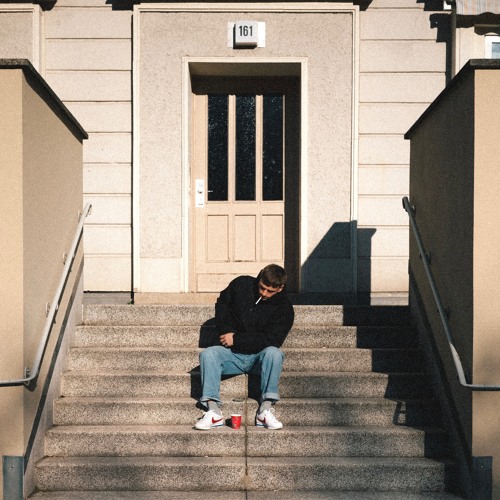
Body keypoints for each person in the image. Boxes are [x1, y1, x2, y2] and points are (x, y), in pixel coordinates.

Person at [194, 264, 294, 430]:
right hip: (231, 354)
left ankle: (265, 410)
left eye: (270, 291)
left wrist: (237, 339)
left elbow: (272, 340)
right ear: (259, 278)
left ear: (280, 288)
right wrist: (227, 332)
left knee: (274, 353)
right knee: (208, 354)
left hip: (258, 359)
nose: (264, 293)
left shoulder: (285, 308)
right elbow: (222, 304)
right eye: (262, 287)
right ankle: (213, 412)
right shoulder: (241, 285)